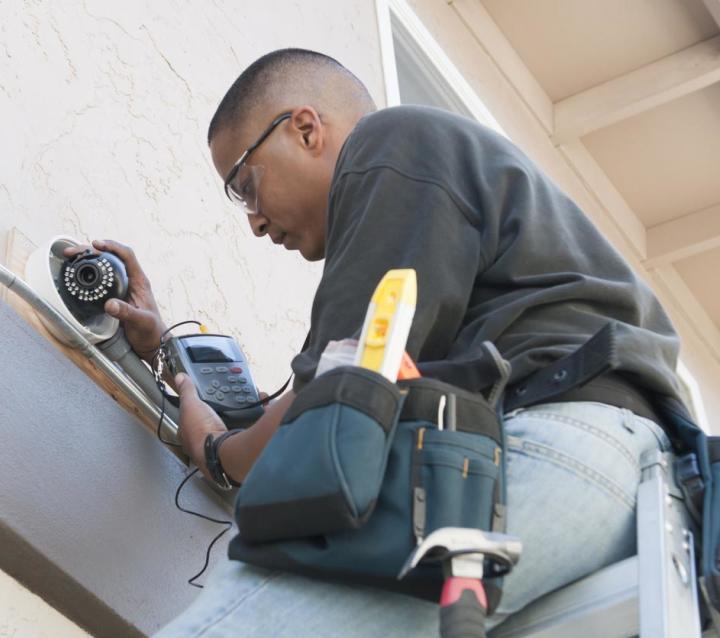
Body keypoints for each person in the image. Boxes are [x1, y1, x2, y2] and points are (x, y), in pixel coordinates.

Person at [77, 49, 686, 636]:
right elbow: (337, 392)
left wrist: (216, 451)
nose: (254, 219)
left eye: (244, 184)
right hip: (636, 501)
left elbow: (334, 397)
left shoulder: (389, 144)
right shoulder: (457, 199)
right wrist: (163, 352)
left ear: (306, 130)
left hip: (551, 437)